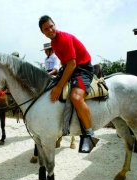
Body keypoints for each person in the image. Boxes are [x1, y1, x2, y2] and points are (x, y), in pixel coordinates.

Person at [38, 15, 99, 153]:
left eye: (51, 26)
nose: (50, 30)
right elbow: (66, 63)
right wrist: (58, 75)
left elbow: (72, 63)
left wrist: (59, 87)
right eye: (46, 29)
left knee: (76, 97)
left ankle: (89, 134)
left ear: (55, 24)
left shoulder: (64, 38)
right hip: (71, 68)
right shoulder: (53, 43)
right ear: (43, 32)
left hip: (82, 69)